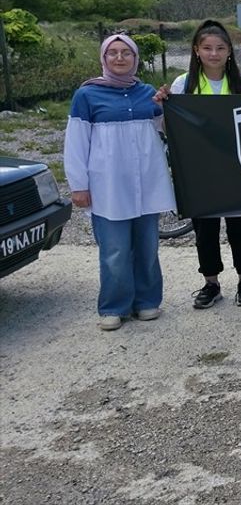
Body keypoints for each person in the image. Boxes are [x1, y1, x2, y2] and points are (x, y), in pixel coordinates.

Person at [64, 34, 176, 331]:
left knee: (147, 246)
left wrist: (165, 107)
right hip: (108, 186)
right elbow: (76, 143)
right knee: (114, 250)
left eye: (126, 53)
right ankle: (114, 306)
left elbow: (164, 130)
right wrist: (79, 185)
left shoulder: (147, 92)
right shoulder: (87, 95)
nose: (119, 58)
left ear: (135, 58)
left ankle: (147, 301)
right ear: (103, 58)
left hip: (146, 184)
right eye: (112, 53)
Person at [160, 20, 241, 309]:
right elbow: (169, 127)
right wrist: (163, 104)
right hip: (199, 168)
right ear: (196, 51)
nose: (214, 53)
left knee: (240, 226)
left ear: (229, 52)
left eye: (220, 48)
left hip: (234, 167)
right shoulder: (183, 84)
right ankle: (211, 282)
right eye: (207, 48)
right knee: (205, 229)